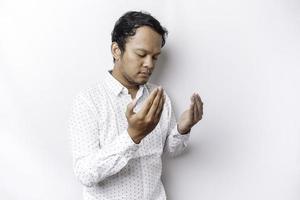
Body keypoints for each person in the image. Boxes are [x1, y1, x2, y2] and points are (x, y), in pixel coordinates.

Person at [69, 11, 203, 200]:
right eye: (141, 54)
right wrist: (133, 136)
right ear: (116, 50)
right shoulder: (89, 101)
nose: (149, 64)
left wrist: (183, 128)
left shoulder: (159, 96)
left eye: (155, 57)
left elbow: (171, 150)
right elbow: (85, 174)